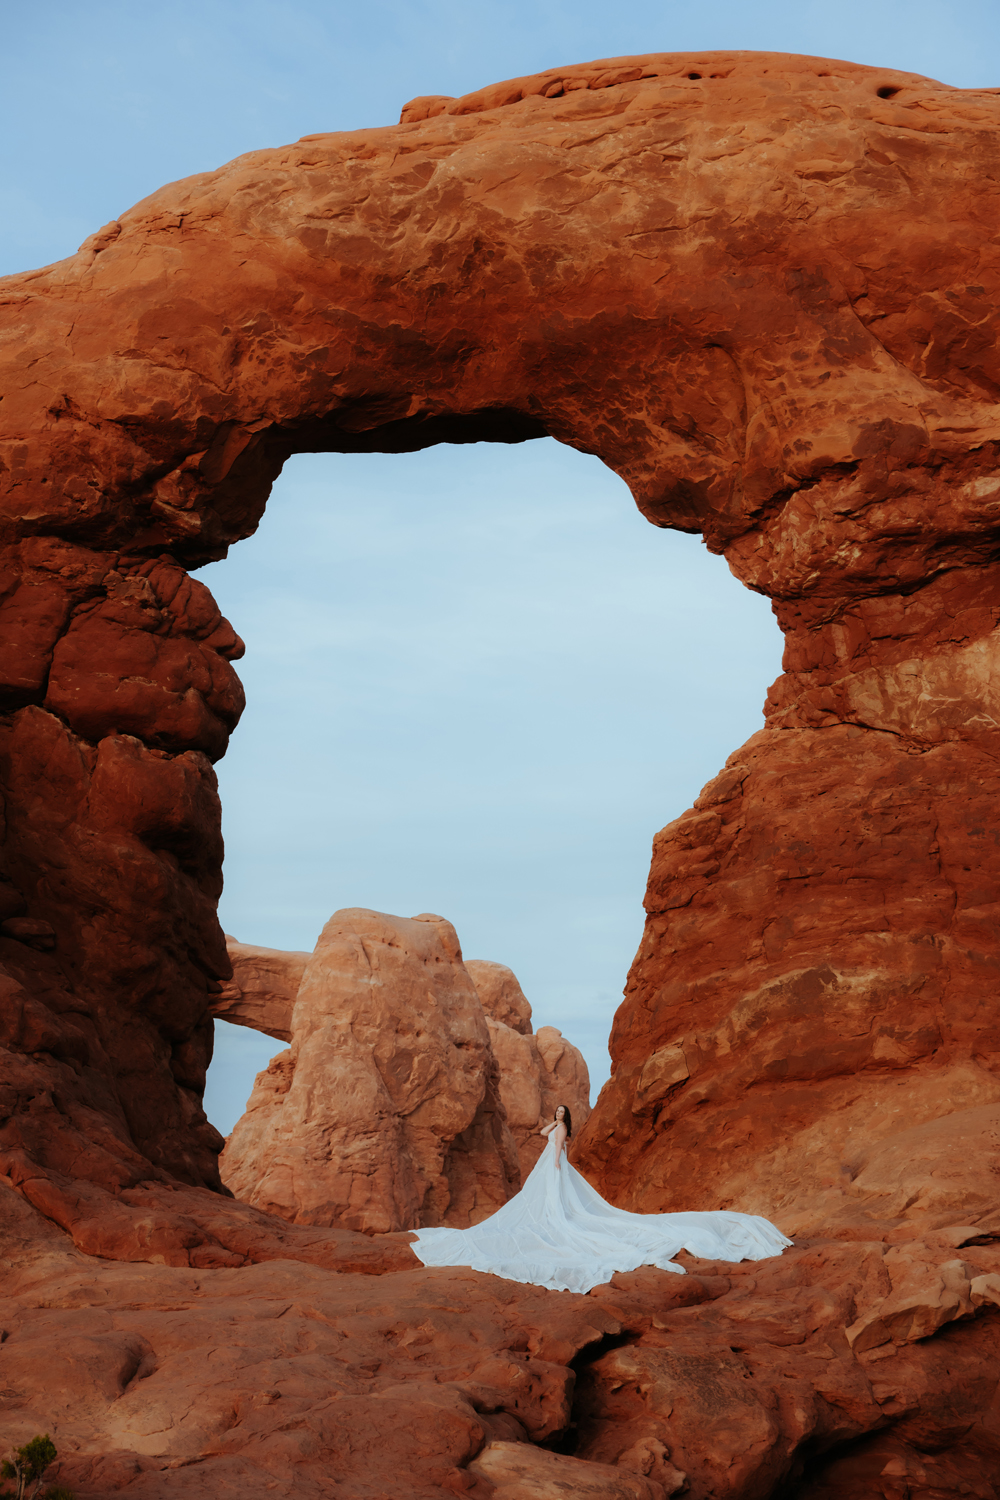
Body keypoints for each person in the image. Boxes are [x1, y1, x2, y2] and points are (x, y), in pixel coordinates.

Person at [410, 1104, 791, 1294]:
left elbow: (555, 1146)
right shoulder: (557, 1125)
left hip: (552, 1168)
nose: (558, 1115)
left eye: (562, 1112)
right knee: (544, 1211)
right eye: (557, 1110)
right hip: (549, 1164)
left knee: (556, 1217)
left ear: (567, 1117)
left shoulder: (561, 1134)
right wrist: (554, 1121)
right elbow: (546, 1130)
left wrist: (555, 1165)